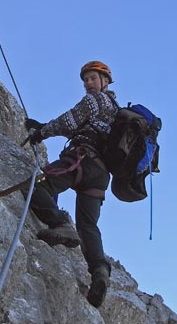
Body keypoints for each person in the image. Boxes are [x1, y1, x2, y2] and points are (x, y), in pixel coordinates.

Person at [24, 61, 119, 308]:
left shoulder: (95, 101)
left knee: (37, 186)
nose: (88, 84)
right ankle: (100, 271)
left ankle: (60, 223)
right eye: (86, 80)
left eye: (93, 78)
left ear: (105, 81)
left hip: (82, 159)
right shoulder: (116, 112)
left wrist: (41, 133)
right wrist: (44, 126)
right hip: (101, 175)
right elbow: (84, 128)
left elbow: (69, 121)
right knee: (88, 225)